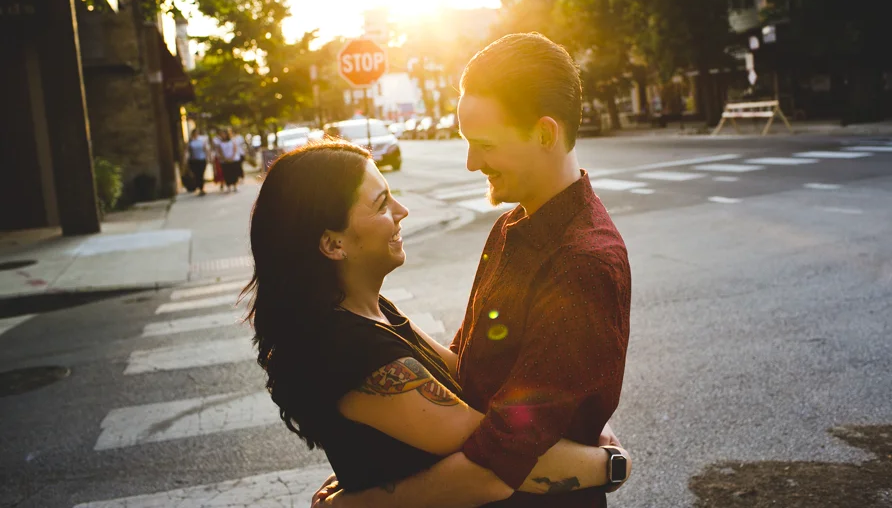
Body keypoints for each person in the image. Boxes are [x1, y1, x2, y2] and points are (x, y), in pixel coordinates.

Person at [314, 32, 632, 508]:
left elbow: (500, 465)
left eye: (484, 144)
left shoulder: (581, 263)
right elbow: (471, 365)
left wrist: (360, 504)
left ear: (545, 134)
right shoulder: (513, 225)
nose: (470, 163)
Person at [244, 140, 632, 508]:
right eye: (381, 204)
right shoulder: (346, 348)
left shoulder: (372, 311)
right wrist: (613, 463)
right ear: (333, 245)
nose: (402, 210)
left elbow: (470, 375)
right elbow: (499, 462)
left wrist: (574, 413)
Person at [184, 129, 209, 196]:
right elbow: (187, 151)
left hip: (202, 159)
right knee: (196, 174)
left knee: (201, 174)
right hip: (193, 160)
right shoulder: (190, 141)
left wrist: (208, 157)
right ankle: (199, 187)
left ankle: (202, 188)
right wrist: (185, 160)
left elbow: (205, 149)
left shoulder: (201, 141)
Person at [219, 128, 241, 192]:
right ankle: (228, 186)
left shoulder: (232, 141)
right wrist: (224, 158)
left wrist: (231, 158)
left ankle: (234, 185)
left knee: (233, 173)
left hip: (233, 160)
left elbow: (235, 149)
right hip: (224, 161)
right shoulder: (220, 143)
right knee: (227, 173)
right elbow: (220, 152)